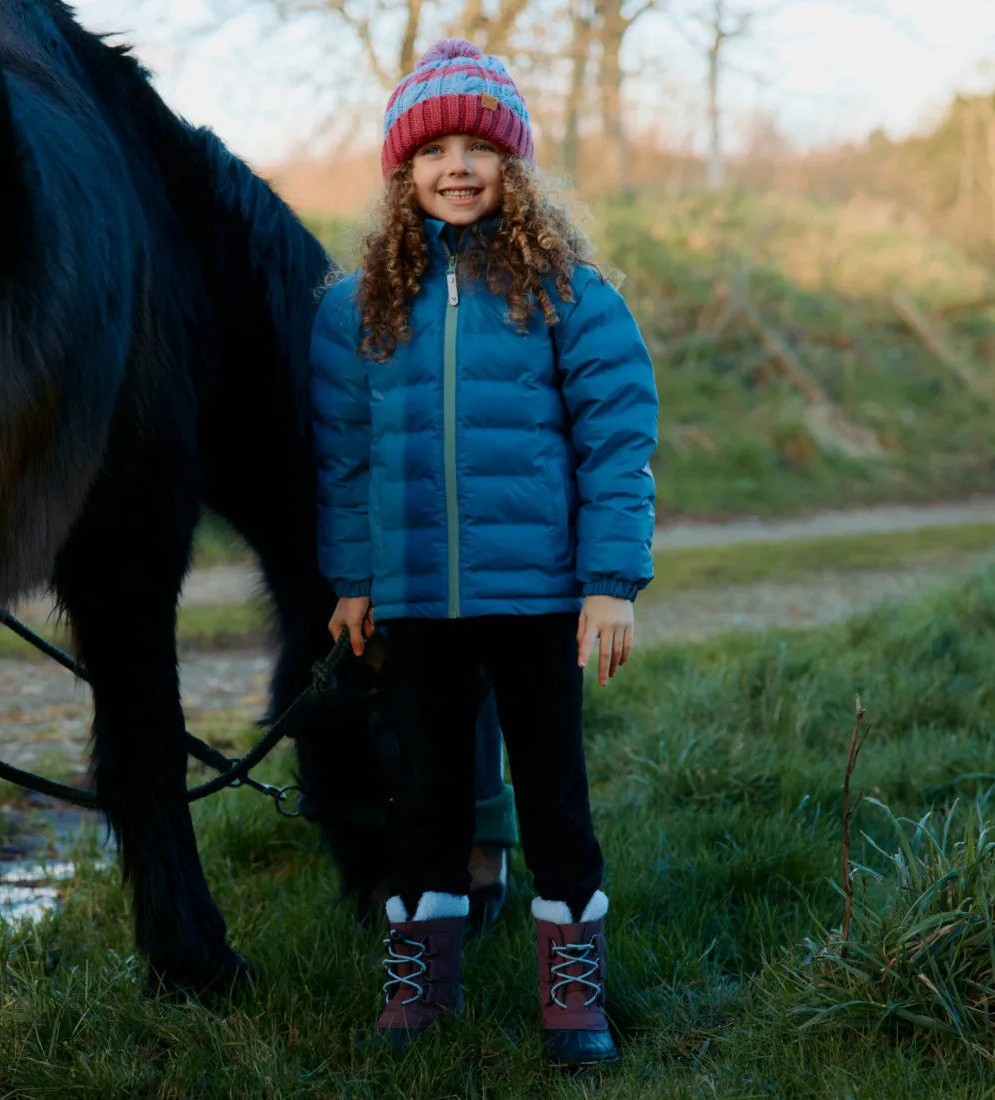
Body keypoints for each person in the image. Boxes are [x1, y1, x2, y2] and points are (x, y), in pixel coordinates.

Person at [309, 37, 658, 1066]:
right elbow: (343, 457)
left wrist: (609, 583)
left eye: (478, 147)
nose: (455, 166)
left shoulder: (566, 292)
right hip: (412, 598)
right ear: (400, 170)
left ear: (514, 166)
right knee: (420, 793)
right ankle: (420, 987)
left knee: (552, 790)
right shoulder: (354, 308)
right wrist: (350, 580)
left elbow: (615, 436)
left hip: (538, 596)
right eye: (432, 150)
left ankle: (572, 995)